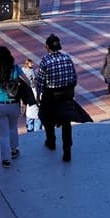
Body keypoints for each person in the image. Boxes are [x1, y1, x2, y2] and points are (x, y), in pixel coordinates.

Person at [36, 34, 81, 162]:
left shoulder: (45, 61)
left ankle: (51, 141)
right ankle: (67, 150)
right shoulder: (67, 58)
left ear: (47, 47)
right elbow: (74, 78)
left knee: (46, 117)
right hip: (66, 95)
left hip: (51, 96)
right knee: (66, 123)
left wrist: (39, 95)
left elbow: (40, 82)